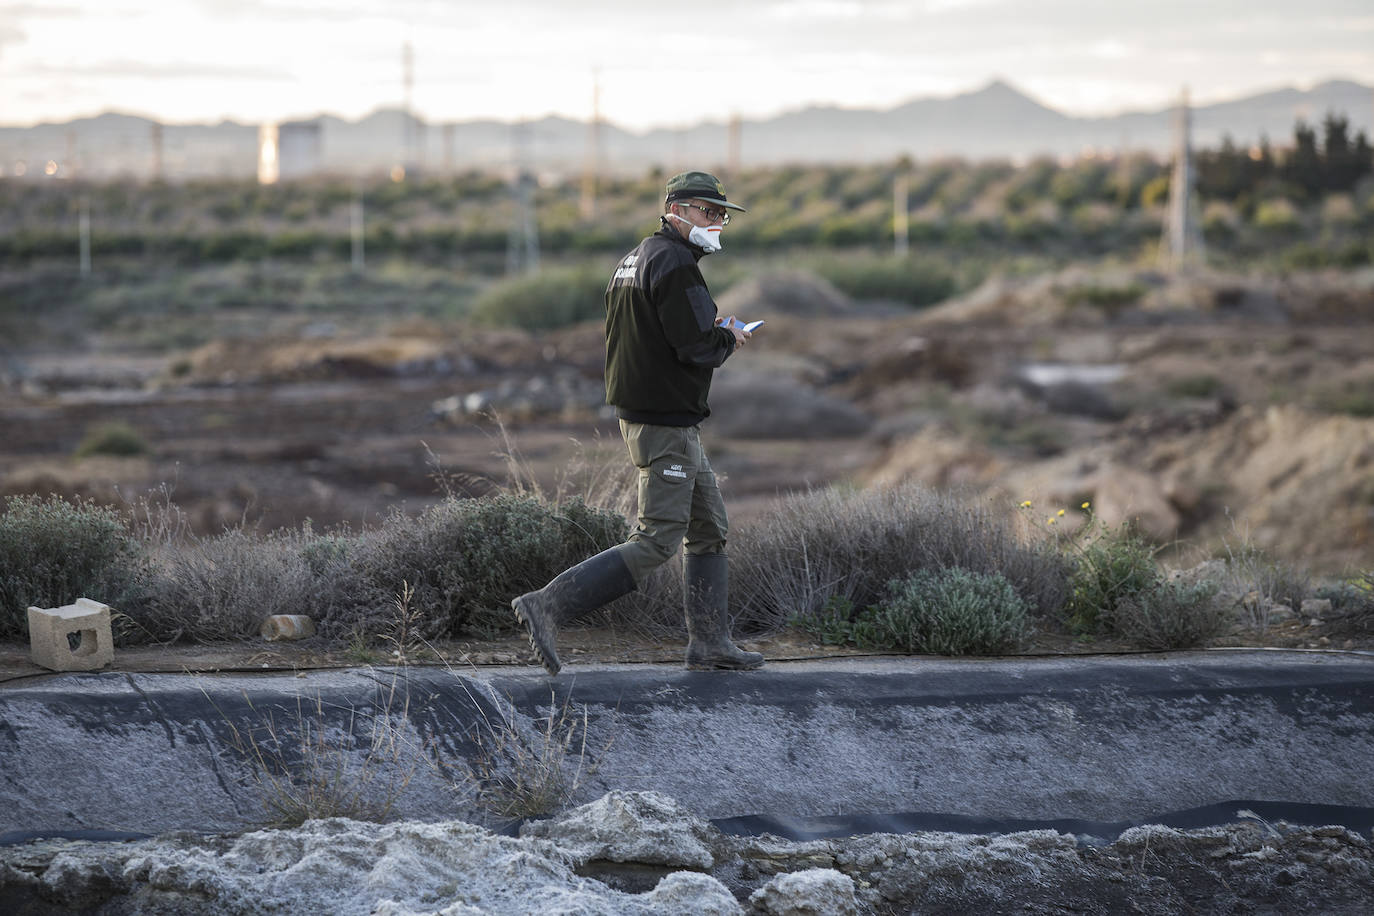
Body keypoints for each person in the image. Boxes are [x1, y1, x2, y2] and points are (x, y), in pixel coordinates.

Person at [511, 170, 764, 676]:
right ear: (678, 209)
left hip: (657, 415)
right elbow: (694, 348)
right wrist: (728, 339)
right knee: (658, 538)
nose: (717, 222)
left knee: (710, 528)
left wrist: (706, 327)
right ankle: (547, 606)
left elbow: (654, 329)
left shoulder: (635, 258)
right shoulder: (676, 264)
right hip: (663, 419)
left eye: (721, 215)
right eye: (708, 212)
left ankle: (709, 645)